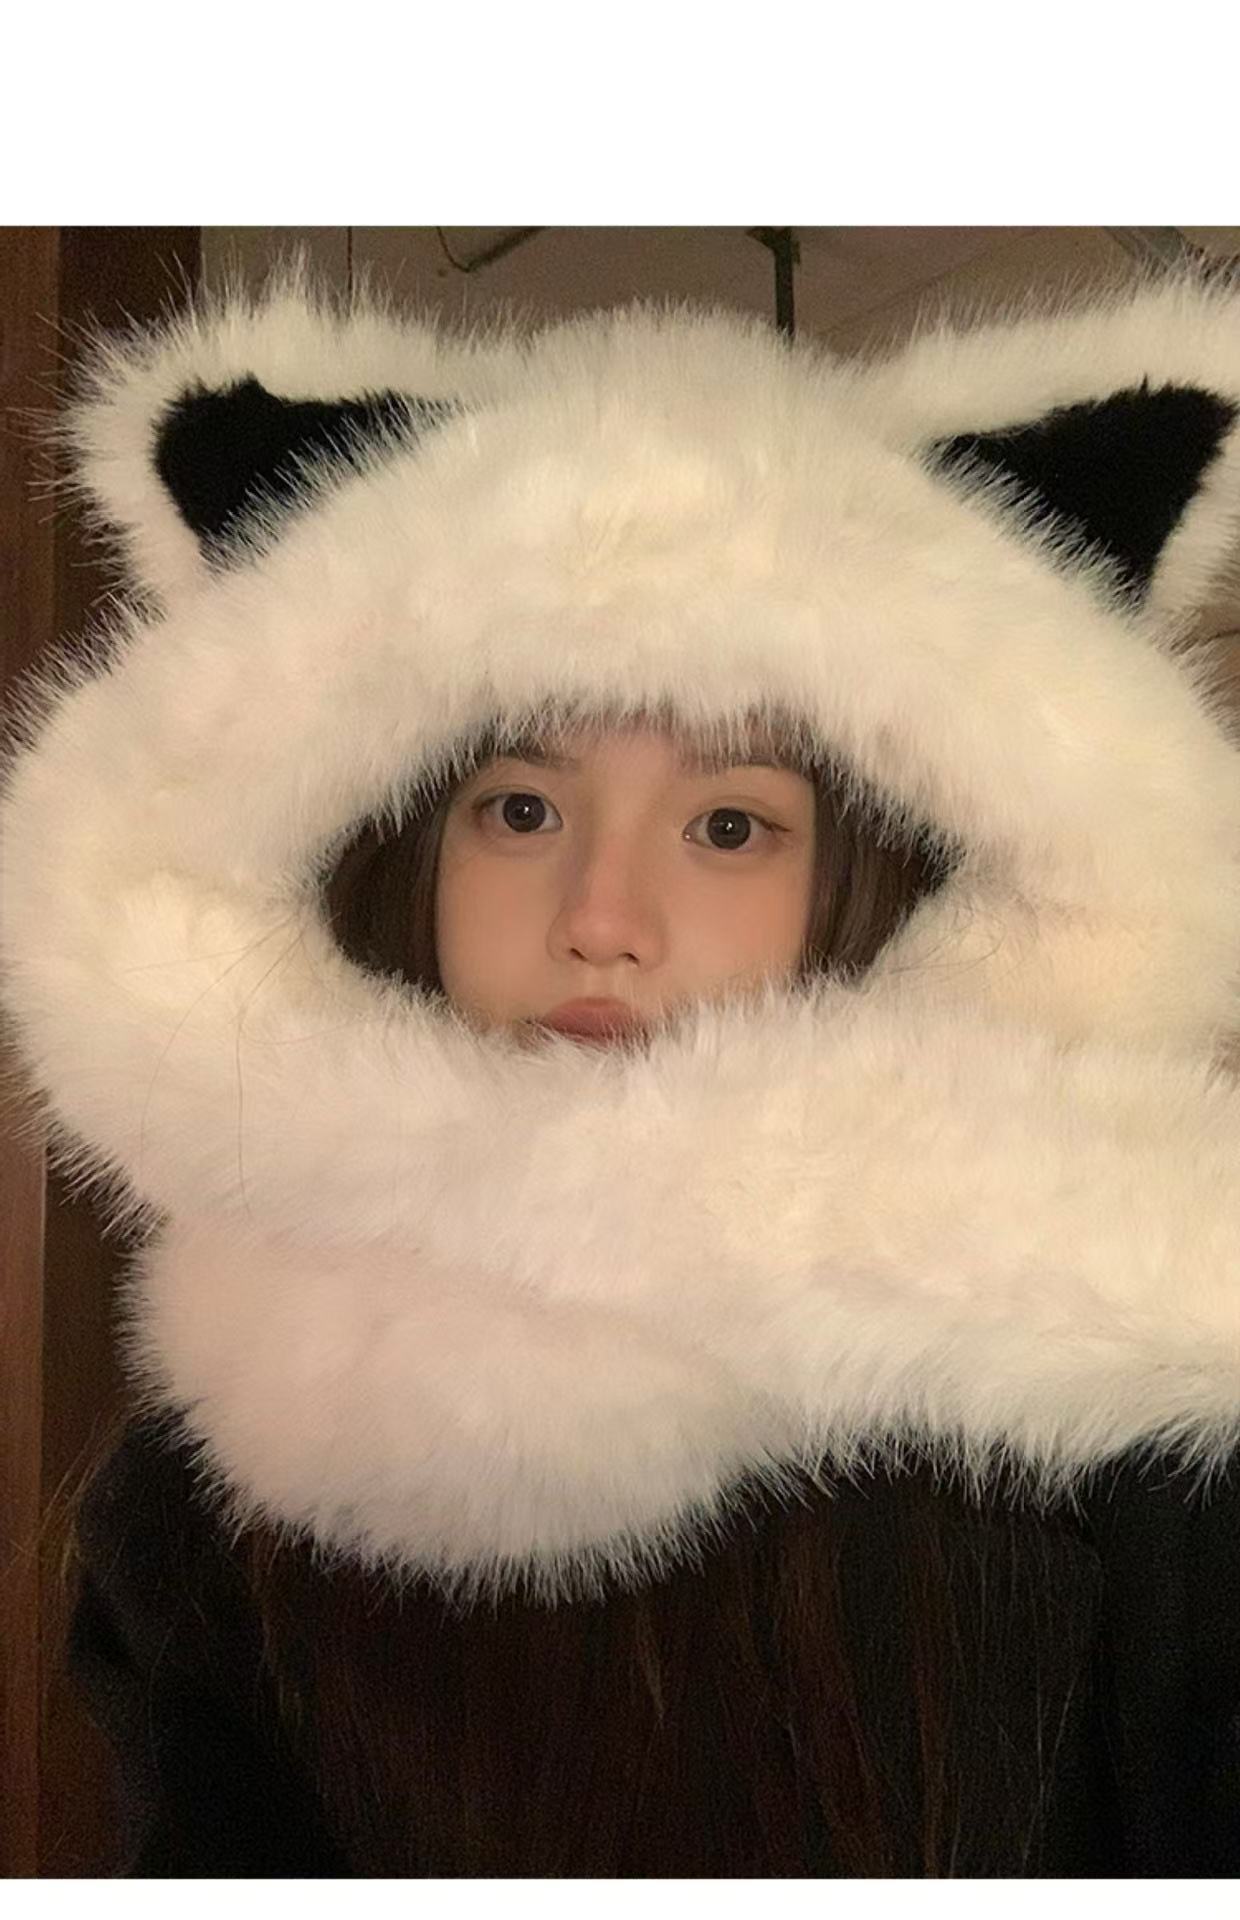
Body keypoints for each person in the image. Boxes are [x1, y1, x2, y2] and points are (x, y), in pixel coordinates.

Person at [4, 258, 1240, 1877]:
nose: (600, 918)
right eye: (520, 809)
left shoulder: (1133, 1388)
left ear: (878, 869)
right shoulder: (225, 1461)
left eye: (729, 825)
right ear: (404, 841)